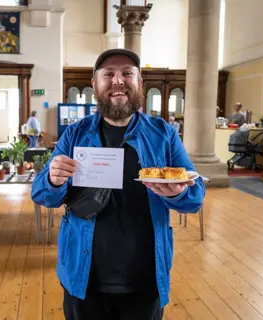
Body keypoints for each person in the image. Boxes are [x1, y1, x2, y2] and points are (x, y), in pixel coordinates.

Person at [31, 48, 205, 320]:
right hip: (83, 274)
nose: (117, 81)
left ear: (139, 83)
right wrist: (53, 178)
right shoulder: (75, 134)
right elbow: (41, 194)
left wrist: (179, 192)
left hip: (145, 277)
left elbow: (195, 197)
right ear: (95, 85)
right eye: (108, 74)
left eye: (127, 73)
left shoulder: (163, 134)